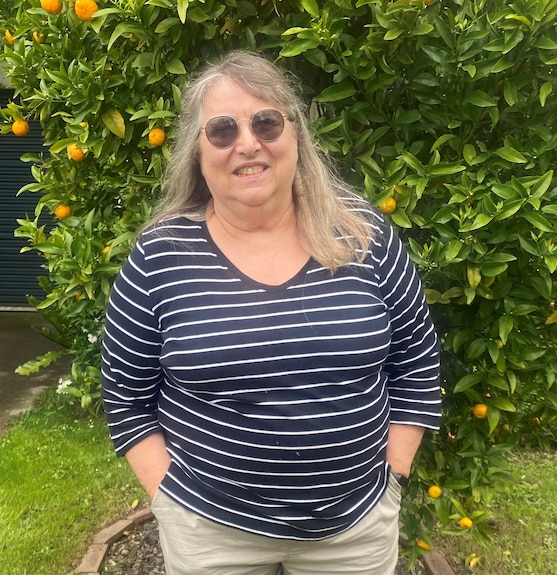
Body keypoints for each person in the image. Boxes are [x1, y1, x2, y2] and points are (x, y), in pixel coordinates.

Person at [101, 50, 441, 575]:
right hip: (208, 530)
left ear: (295, 135)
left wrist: (393, 473)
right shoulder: (159, 256)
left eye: (266, 122)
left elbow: (418, 361)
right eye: (221, 130)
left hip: (355, 527)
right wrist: (165, 494)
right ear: (197, 150)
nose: (248, 143)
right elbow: (125, 393)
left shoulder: (363, 234)